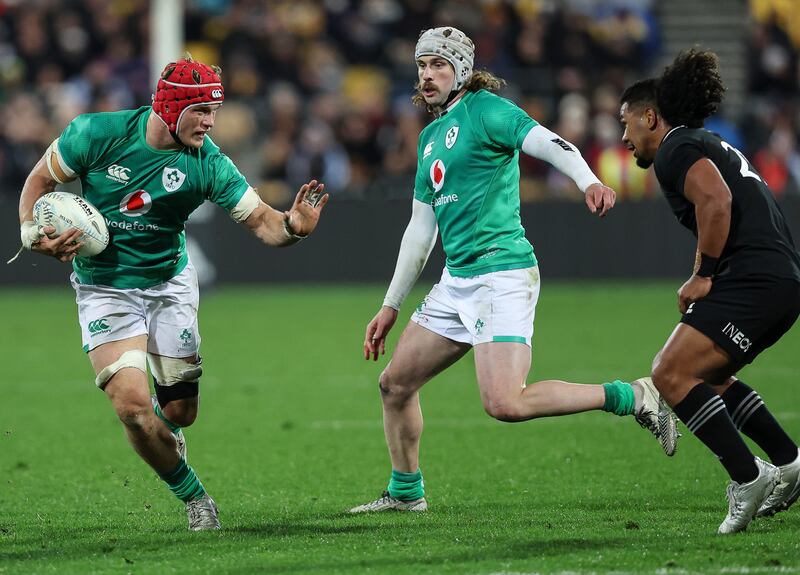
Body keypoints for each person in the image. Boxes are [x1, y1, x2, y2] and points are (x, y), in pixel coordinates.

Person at [349, 27, 678, 515]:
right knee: (394, 384)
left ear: (462, 69)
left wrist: (588, 181)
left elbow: (550, 143)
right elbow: (420, 230)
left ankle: (634, 396)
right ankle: (405, 493)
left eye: (439, 65)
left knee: (504, 403)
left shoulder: (488, 111)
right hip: (457, 281)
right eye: (422, 65)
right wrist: (390, 305)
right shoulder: (429, 138)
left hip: (501, 274)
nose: (427, 75)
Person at [15, 56, 328, 531]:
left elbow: (265, 222)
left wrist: (293, 228)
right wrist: (30, 232)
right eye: (200, 110)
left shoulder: (209, 163)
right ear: (169, 107)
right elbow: (40, 179)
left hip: (169, 286)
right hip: (104, 288)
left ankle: (165, 434)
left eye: (214, 111)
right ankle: (195, 498)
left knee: (180, 411)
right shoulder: (95, 134)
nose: (210, 122)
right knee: (133, 409)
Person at [619, 48, 800, 534]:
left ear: (650, 117)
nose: (624, 137)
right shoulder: (704, 142)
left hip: (754, 278)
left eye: (627, 123)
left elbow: (716, 202)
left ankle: (748, 477)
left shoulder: (675, 148)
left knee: (669, 372)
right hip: (778, 278)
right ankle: (788, 461)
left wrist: (704, 274)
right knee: (709, 376)